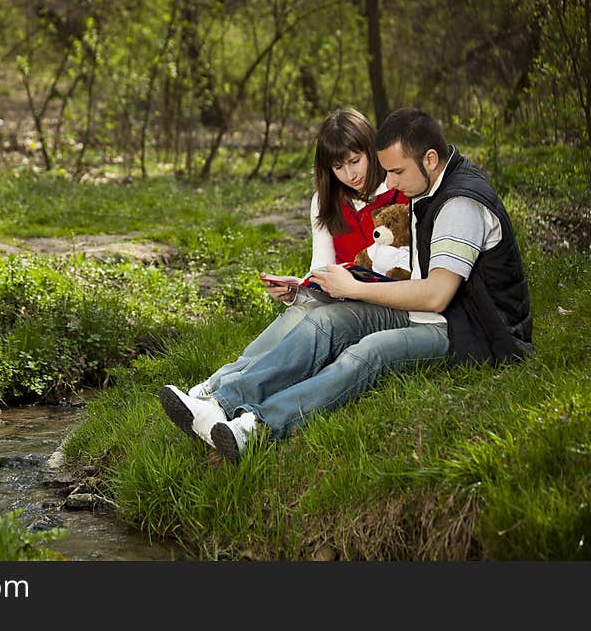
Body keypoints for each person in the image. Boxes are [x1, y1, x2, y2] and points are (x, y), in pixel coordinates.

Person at [159, 107, 533, 462]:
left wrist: (355, 288)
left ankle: (255, 427)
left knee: (368, 352)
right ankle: (219, 403)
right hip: (422, 311)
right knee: (323, 322)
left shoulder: (459, 204)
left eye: (398, 172)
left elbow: (437, 295)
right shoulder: (427, 187)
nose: (391, 183)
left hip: (470, 329)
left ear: (430, 159)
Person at [167, 107, 407, 447]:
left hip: (382, 300)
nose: (349, 173)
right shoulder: (325, 201)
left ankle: (220, 393)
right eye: (338, 167)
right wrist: (297, 288)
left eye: (355, 160)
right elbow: (321, 268)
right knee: (298, 311)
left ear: (370, 150)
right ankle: (216, 388)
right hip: (342, 294)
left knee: (315, 320)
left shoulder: (398, 192)